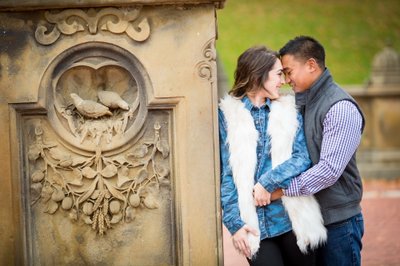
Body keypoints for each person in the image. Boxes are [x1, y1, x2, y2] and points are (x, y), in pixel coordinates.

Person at [219, 46, 318, 266]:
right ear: (258, 75)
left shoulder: (288, 111)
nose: (282, 81)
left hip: (292, 220)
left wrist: (267, 182)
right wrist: (234, 225)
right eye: (278, 74)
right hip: (254, 226)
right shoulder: (227, 116)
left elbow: (302, 157)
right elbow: (226, 175)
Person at [277, 36, 365, 266]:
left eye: (289, 71)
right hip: (313, 220)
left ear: (311, 65)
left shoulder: (339, 107)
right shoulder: (304, 103)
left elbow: (329, 170)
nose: (286, 80)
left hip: (339, 223)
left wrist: (282, 189)